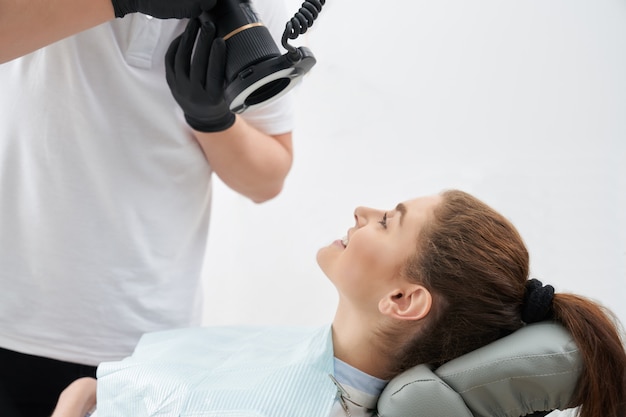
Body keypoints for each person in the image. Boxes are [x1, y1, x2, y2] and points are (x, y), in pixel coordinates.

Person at [49, 190, 626, 417]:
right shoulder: (316, 365)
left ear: (403, 299)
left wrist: (76, 401)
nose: (360, 210)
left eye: (387, 221)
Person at [0, 0, 298, 415]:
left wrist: (212, 121)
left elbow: (268, 179)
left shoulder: (259, 6)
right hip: (9, 315)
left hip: (144, 341)